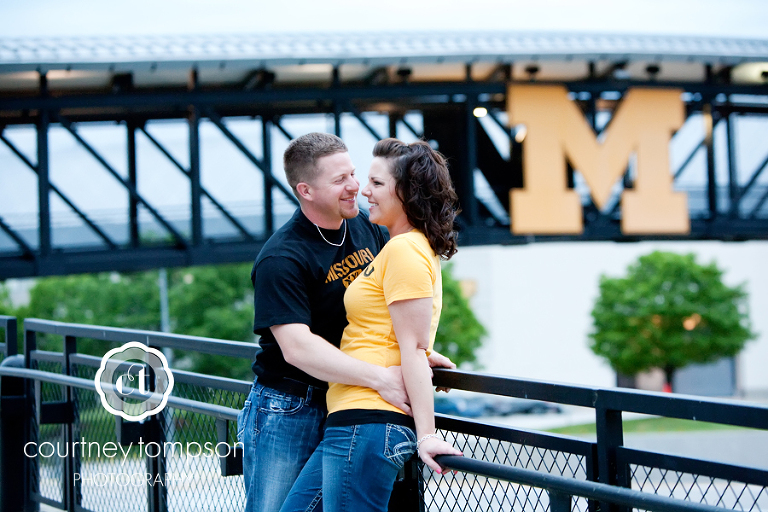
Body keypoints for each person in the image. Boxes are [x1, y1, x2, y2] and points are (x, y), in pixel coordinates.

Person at [238, 132, 455, 512]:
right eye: (341, 180)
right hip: (290, 405)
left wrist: (419, 353)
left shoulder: (367, 228)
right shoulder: (281, 258)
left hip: (354, 404)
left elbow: (400, 302)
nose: (355, 187)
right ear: (305, 190)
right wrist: (381, 376)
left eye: (355, 174)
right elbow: (296, 347)